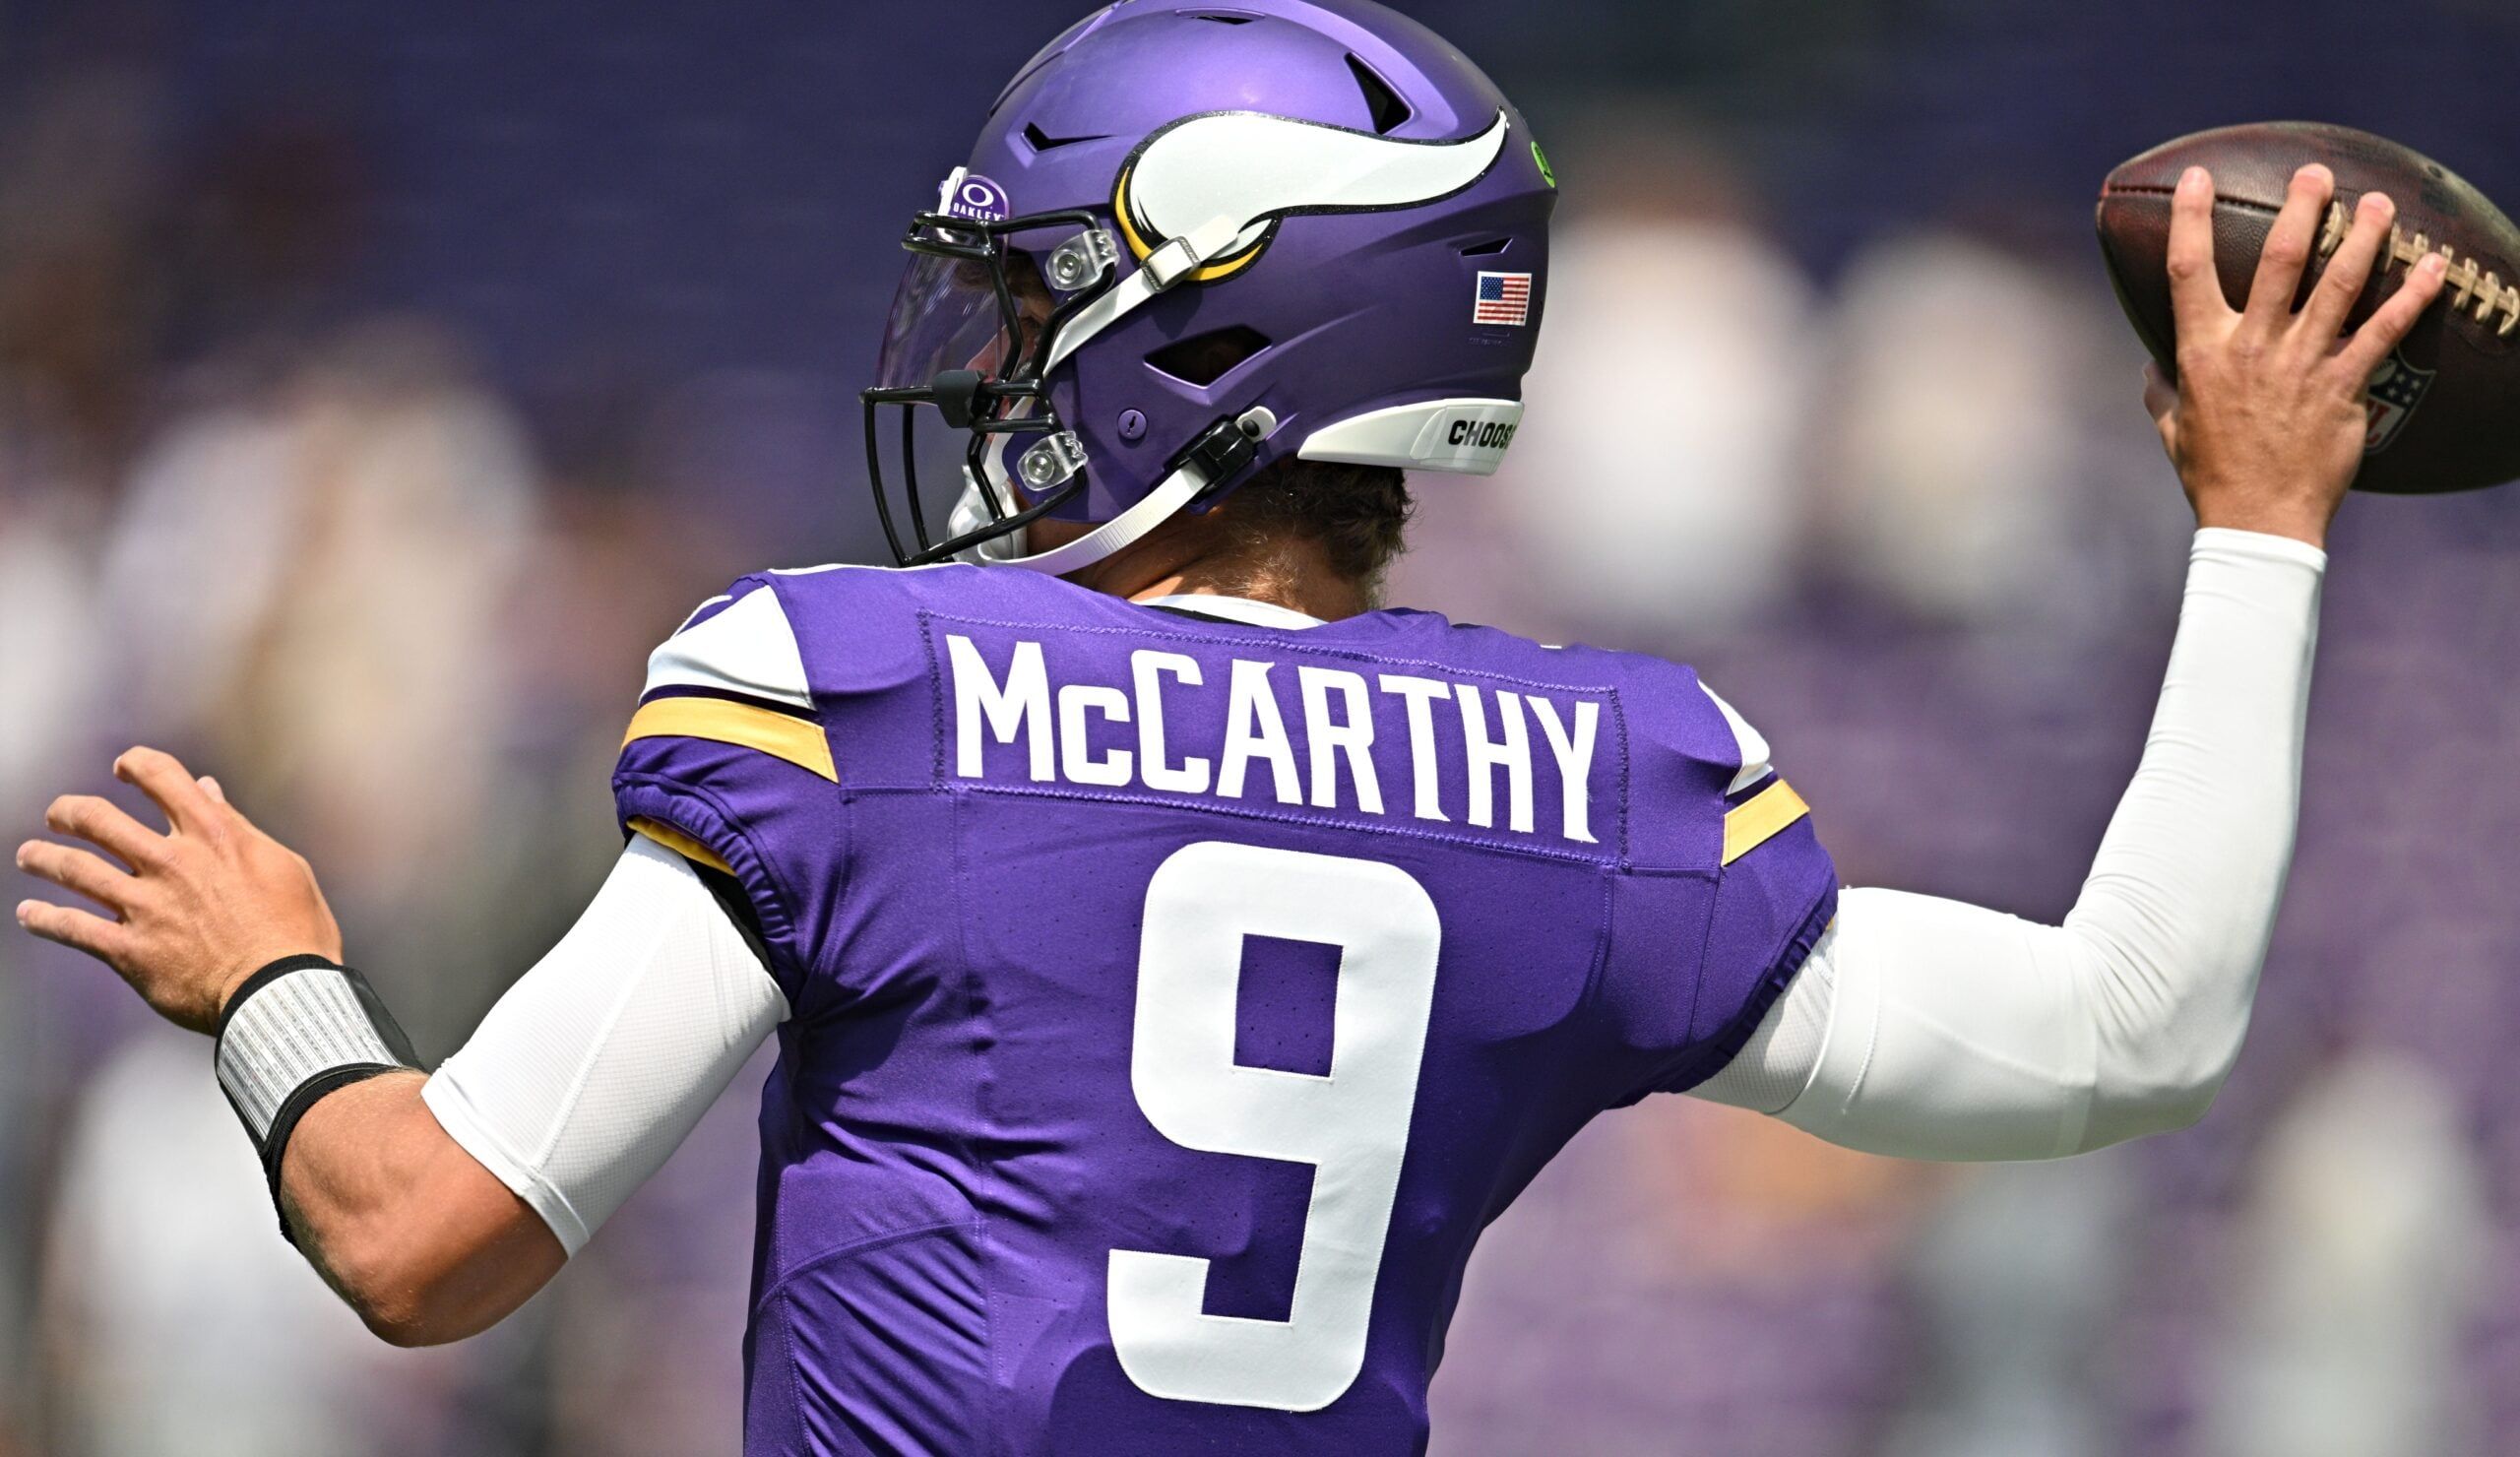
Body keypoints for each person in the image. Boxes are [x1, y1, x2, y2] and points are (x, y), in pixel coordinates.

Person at [11, 2, 2449, 1451]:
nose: (985, 359)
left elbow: (420, 1234)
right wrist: (2259, 521)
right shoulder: (1592, 784)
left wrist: (275, 986)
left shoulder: (876, 694)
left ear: (1210, 340)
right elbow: (2132, 1029)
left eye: (1038, 300)